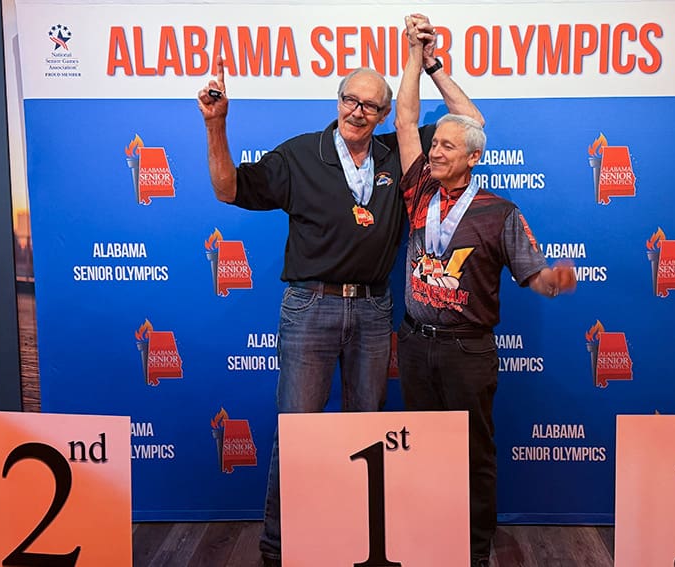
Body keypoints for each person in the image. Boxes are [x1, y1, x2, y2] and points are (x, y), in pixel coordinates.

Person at [196, 36, 478, 565]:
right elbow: (227, 189)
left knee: (365, 431)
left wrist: (431, 63)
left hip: (373, 312)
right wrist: (216, 124)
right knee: (298, 432)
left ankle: (352, 540)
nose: (359, 111)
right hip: (310, 308)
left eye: (372, 105)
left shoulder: (401, 152)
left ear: (385, 114)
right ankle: (278, 548)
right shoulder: (301, 153)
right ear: (338, 100)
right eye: (351, 99)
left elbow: (471, 123)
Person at [395, 16, 578, 567]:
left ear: (473, 157)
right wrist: (414, 55)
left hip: (467, 350)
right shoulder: (419, 190)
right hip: (414, 342)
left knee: (474, 454)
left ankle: (474, 551)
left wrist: (552, 282)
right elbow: (406, 118)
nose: (435, 151)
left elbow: (534, 274)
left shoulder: (501, 212)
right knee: (421, 450)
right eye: (435, 144)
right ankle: (427, 538)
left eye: (448, 146)